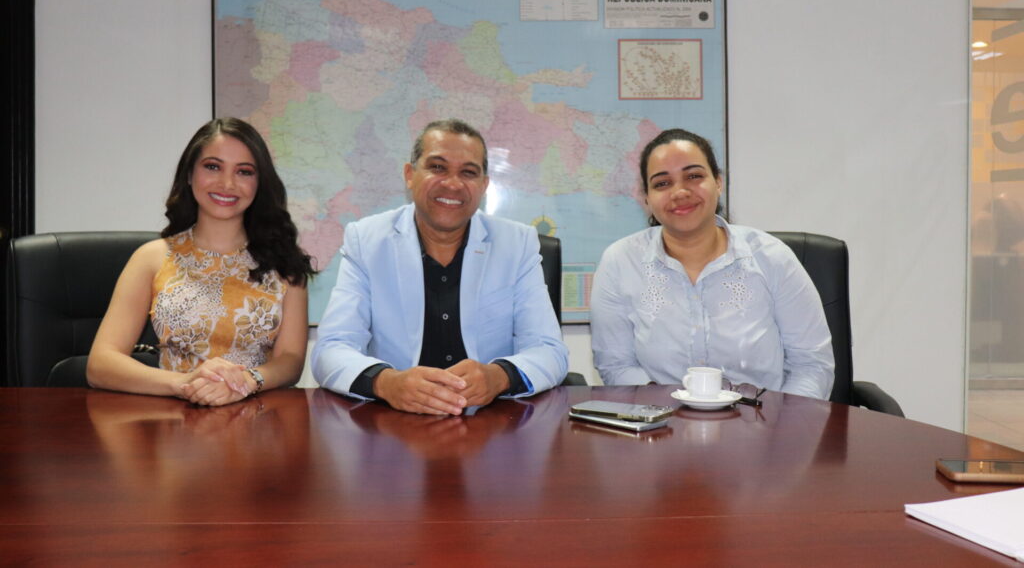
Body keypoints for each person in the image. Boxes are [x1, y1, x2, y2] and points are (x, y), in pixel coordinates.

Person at [312, 118, 568, 415]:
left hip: (492, 427)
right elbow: (330, 349)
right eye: (437, 167)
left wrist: (498, 377)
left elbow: (550, 351)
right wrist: (386, 382)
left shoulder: (517, 243)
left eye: (468, 172)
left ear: (484, 186)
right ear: (410, 175)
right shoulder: (367, 241)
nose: (452, 183)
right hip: (395, 428)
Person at [590, 128, 834, 399]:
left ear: (718, 182)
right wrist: (665, 417)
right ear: (646, 198)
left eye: (694, 176)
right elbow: (616, 365)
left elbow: (811, 366)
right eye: (662, 183)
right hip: (661, 429)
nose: (680, 192)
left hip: (763, 429)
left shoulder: (772, 258)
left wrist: (784, 431)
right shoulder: (620, 262)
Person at [87, 117, 315, 406]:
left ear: (260, 184)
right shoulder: (152, 258)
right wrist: (184, 383)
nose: (227, 183)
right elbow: (101, 364)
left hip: (256, 422)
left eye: (244, 172)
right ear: (189, 174)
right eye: (212, 167)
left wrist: (247, 381)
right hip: (173, 419)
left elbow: (291, 361)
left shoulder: (285, 263)